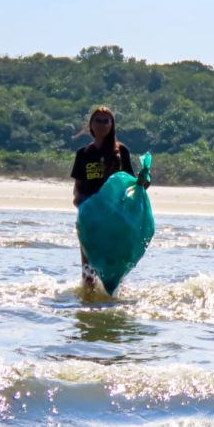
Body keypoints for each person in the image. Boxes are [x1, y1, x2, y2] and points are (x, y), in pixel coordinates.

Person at [71, 106, 148, 290]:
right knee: (88, 269)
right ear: (91, 124)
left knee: (114, 267)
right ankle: (88, 302)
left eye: (107, 120)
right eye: (98, 120)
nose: (103, 124)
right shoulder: (83, 154)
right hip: (90, 218)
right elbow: (78, 189)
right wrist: (81, 204)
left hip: (115, 217)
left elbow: (132, 185)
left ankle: (111, 302)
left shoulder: (121, 152)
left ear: (112, 125)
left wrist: (144, 180)